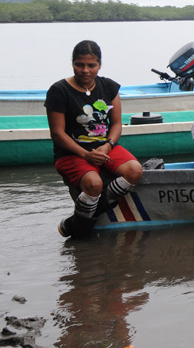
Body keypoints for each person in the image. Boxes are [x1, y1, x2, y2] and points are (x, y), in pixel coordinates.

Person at [46, 40, 143, 238]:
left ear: (99, 64)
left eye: (91, 65)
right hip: (72, 152)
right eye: (79, 64)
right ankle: (81, 234)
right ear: (72, 63)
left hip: (104, 146)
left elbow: (116, 124)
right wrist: (85, 154)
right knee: (93, 183)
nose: (85, 70)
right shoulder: (59, 91)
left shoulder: (108, 87)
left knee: (134, 171)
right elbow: (57, 133)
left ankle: (74, 223)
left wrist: (108, 146)